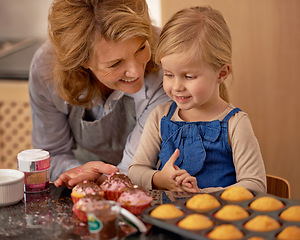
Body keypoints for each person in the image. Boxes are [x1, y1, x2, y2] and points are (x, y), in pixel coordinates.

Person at [28, 0, 170, 188]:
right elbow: (52, 154)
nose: (136, 71)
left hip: (148, 182)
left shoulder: (168, 61)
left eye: (141, 48)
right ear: (82, 61)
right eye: (115, 63)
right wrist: (81, 174)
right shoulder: (45, 68)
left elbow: (135, 165)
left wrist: (100, 180)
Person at [128, 6, 267, 193]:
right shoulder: (159, 117)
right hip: (166, 218)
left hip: (218, 220)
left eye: (189, 77)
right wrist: (160, 179)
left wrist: (203, 194)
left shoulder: (236, 124)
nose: (176, 86)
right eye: (168, 74)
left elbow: (255, 185)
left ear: (221, 73)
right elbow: (135, 172)